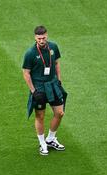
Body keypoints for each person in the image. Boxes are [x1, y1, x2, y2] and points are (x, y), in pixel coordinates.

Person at [22, 25, 67, 155]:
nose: (42, 40)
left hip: (52, 84)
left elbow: (57, 63)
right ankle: (42, 143)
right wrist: (33, 91)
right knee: (40, 116)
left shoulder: (53, 47)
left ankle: (51, 139)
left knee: (60, 113)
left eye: (43, 37)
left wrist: (59, 80)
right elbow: (26, 73)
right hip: (39, 87)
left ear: (47, 35)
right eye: (39, 38)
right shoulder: (30, 53)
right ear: (35, 38)